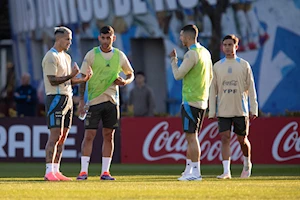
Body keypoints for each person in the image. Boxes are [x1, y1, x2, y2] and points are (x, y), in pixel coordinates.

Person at [76, 25, 134, 181]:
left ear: (113, 38)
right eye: (103, 37)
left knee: (109, 136)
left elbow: (130, 73)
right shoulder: (92, 55)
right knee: (89, 135)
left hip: (112, 101)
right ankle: (83, 171)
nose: (106, 41)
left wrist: (125, 82)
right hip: (93, 100)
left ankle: (105, 172)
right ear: (99, 38)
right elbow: (83, 78)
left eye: (109, 38)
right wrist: (81, 100)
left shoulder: (119, 56)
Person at [42, 26, 92, 181]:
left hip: (67, 98)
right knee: (55, 135)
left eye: (70, 39)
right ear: (58, 39)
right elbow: (52, 79)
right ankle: (49, 171)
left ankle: (56, 170)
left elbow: (67, 80)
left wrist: (81, 80)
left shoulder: (67, 57)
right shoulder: (51, 56)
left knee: (63, 136)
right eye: (67, 39)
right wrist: (71, 75)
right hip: (55, 98)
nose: (70, 42)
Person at [208, 34, 258, 179]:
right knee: (225, 138)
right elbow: (213, 90)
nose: (228, 48)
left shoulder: (244, 65)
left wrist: (253, 108)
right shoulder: (217, 66)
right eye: (225, 45)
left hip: (240, 110)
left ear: (236, 47)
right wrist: (212, 111)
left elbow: (251, 88)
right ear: (222, 47)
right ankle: (226, 171)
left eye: (230, 45)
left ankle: (247, 163)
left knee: (242, 140)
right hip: (223, 110)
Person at [169, 24, 213, 181]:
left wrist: (173, 61)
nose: (180, 39)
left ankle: (196, 172)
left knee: (191, 137)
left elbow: (178, 75)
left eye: (181, 36)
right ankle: (188, 170)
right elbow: (211, 77)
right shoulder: (206, 53)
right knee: (192, 136)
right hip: (202, 100)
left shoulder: (191, 54)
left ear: (187, 37)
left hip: (190, 100)